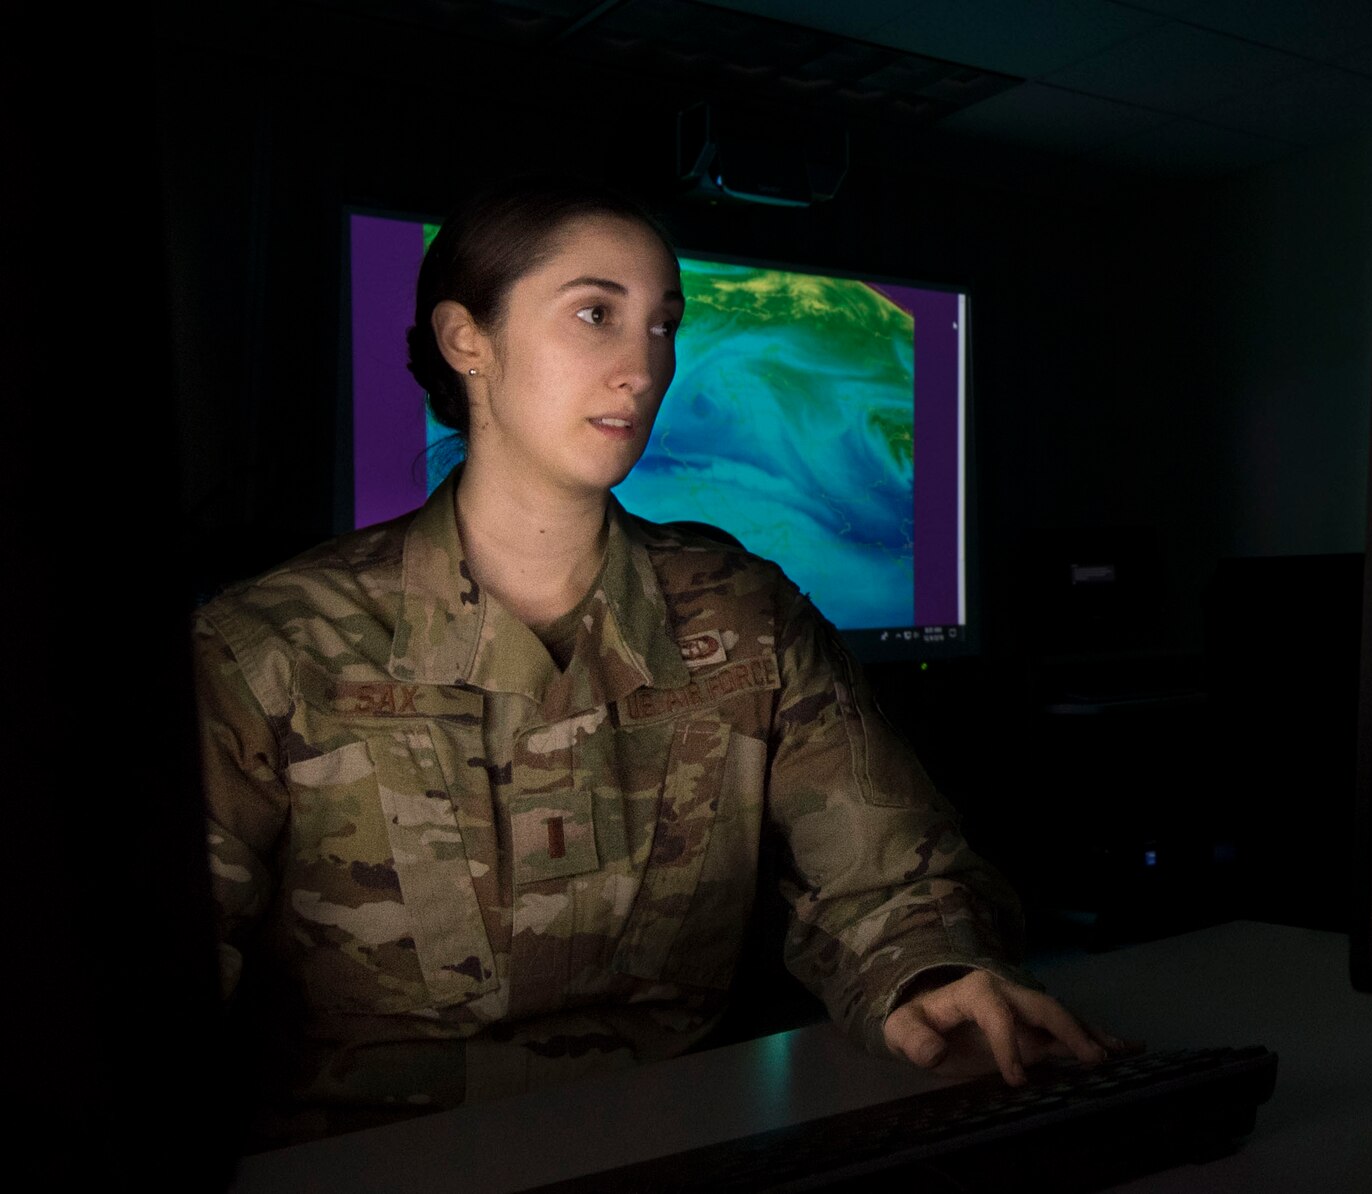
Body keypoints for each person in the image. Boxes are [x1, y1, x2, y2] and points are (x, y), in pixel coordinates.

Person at [194, 177, 1108, 1146]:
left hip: (691, 1146)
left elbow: (888, 880)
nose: (644, 365)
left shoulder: (746, 615)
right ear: (468, 340)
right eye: (596, 314)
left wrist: (931, 975)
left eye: (663, 325)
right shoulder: (271, 650)